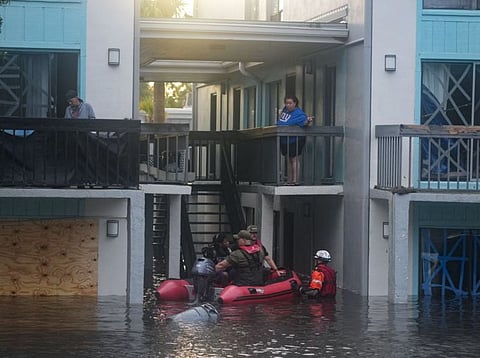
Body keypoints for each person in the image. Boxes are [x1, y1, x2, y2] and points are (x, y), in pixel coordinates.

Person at [276, 94, 313, 185]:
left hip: (295, 140)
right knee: (289, 159)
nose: (288, 105)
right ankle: (290, 180)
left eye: (290, 103)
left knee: (294, 159)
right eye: (286, 103)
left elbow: (304, 123)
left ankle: (295, 180)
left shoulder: (299, 114)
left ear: (295, 103)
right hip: (285, 139)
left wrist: (308, 121)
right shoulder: (285, 111)